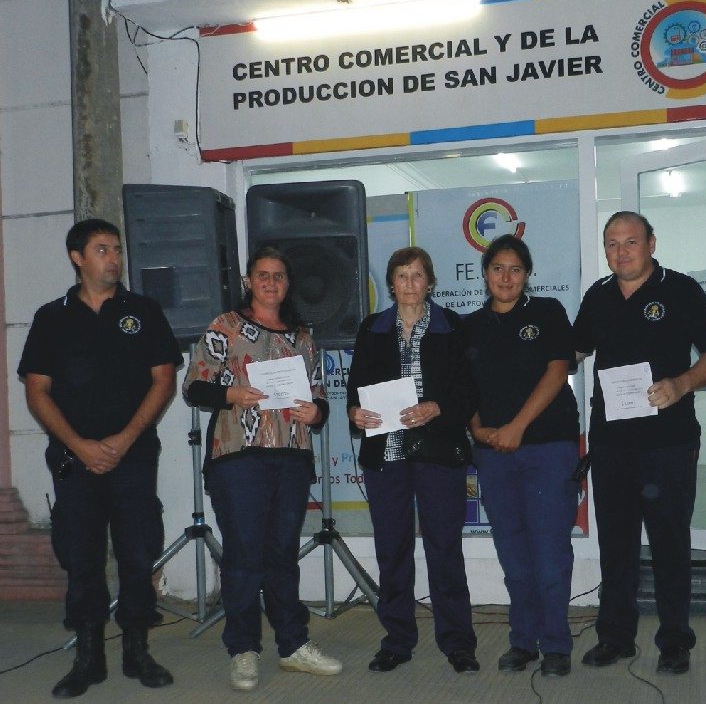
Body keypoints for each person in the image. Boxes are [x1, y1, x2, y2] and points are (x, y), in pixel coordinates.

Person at [18, 218, 181, 698]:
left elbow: (164, 381)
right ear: (77, 258)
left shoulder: (143, 311)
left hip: (133, 456)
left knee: (137, 552)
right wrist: (79, 444)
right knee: (81, 556)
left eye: (117, 249)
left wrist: (125, 439)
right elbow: (37, 390)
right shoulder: (52, 317)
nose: (114, 258)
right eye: (102, 249)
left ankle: (137, 651)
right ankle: (88, 658)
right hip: (74, 461)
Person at [573, 211, 706, 675]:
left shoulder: (681, 290)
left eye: (631, 242)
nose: (621, 252)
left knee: (669, 544)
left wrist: (681, 384)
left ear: (651, 244)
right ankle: (615, 637)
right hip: (612, 443)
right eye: (612, 243)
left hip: (668, 442)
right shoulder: (598, 296)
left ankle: (675, 641)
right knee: (616, 544)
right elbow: (574, 350)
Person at [183, 244, 341, 692]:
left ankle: (293, 646)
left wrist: (317, 413)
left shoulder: (303, 337)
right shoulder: (226, 326)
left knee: (282, 555)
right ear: (249, 281)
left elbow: (319, 396)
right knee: (244, 555)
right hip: (238, 458)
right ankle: (243, 649)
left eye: (279, 276)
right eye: (263, 275)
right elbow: (194, 387)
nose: (271, 283)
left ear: (288, 284)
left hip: (291, 458)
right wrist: (231, 395)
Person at [347, 247, 479, 674]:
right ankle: (397, 640)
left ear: (430, 282)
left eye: (417, 275)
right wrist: (355, 412)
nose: (409, 283)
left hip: (438, 451)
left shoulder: (452, 326)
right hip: (386, 453)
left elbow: (469, 392)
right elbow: (356, 387)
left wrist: (437, 407)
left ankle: (458, 642)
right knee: (392, 549)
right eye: (401, 276)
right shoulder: (372, 328)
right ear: (391, 284)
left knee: (444, 548)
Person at [463, 234, 579, 678]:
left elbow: (557, 372)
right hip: (493, 452)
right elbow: (463, 387)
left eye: (515, 269)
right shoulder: (469, 326)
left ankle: (556, 645)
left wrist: (517, 427)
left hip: (547, 447)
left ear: (527, 274)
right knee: (512, 552)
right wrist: (476, 428)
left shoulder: (548, 312)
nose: (506, 277)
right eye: (498, 269)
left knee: (549, 552)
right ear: (485, 274)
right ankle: (522, 642)